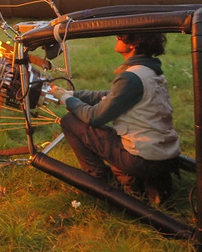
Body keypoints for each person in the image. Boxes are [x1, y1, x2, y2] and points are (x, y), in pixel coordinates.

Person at [49, 33, 180, 204]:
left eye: (120, 36)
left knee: (70, 121)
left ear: (133, 44)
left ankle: (103, 182)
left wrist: (64, 98)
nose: (116, 38)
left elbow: (94, 116)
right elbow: (110, 96)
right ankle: (142, 182)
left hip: (142, 158)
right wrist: (72, 94)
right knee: (100, 129)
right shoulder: (148, 71)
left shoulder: (131, 77)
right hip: (164, 153)